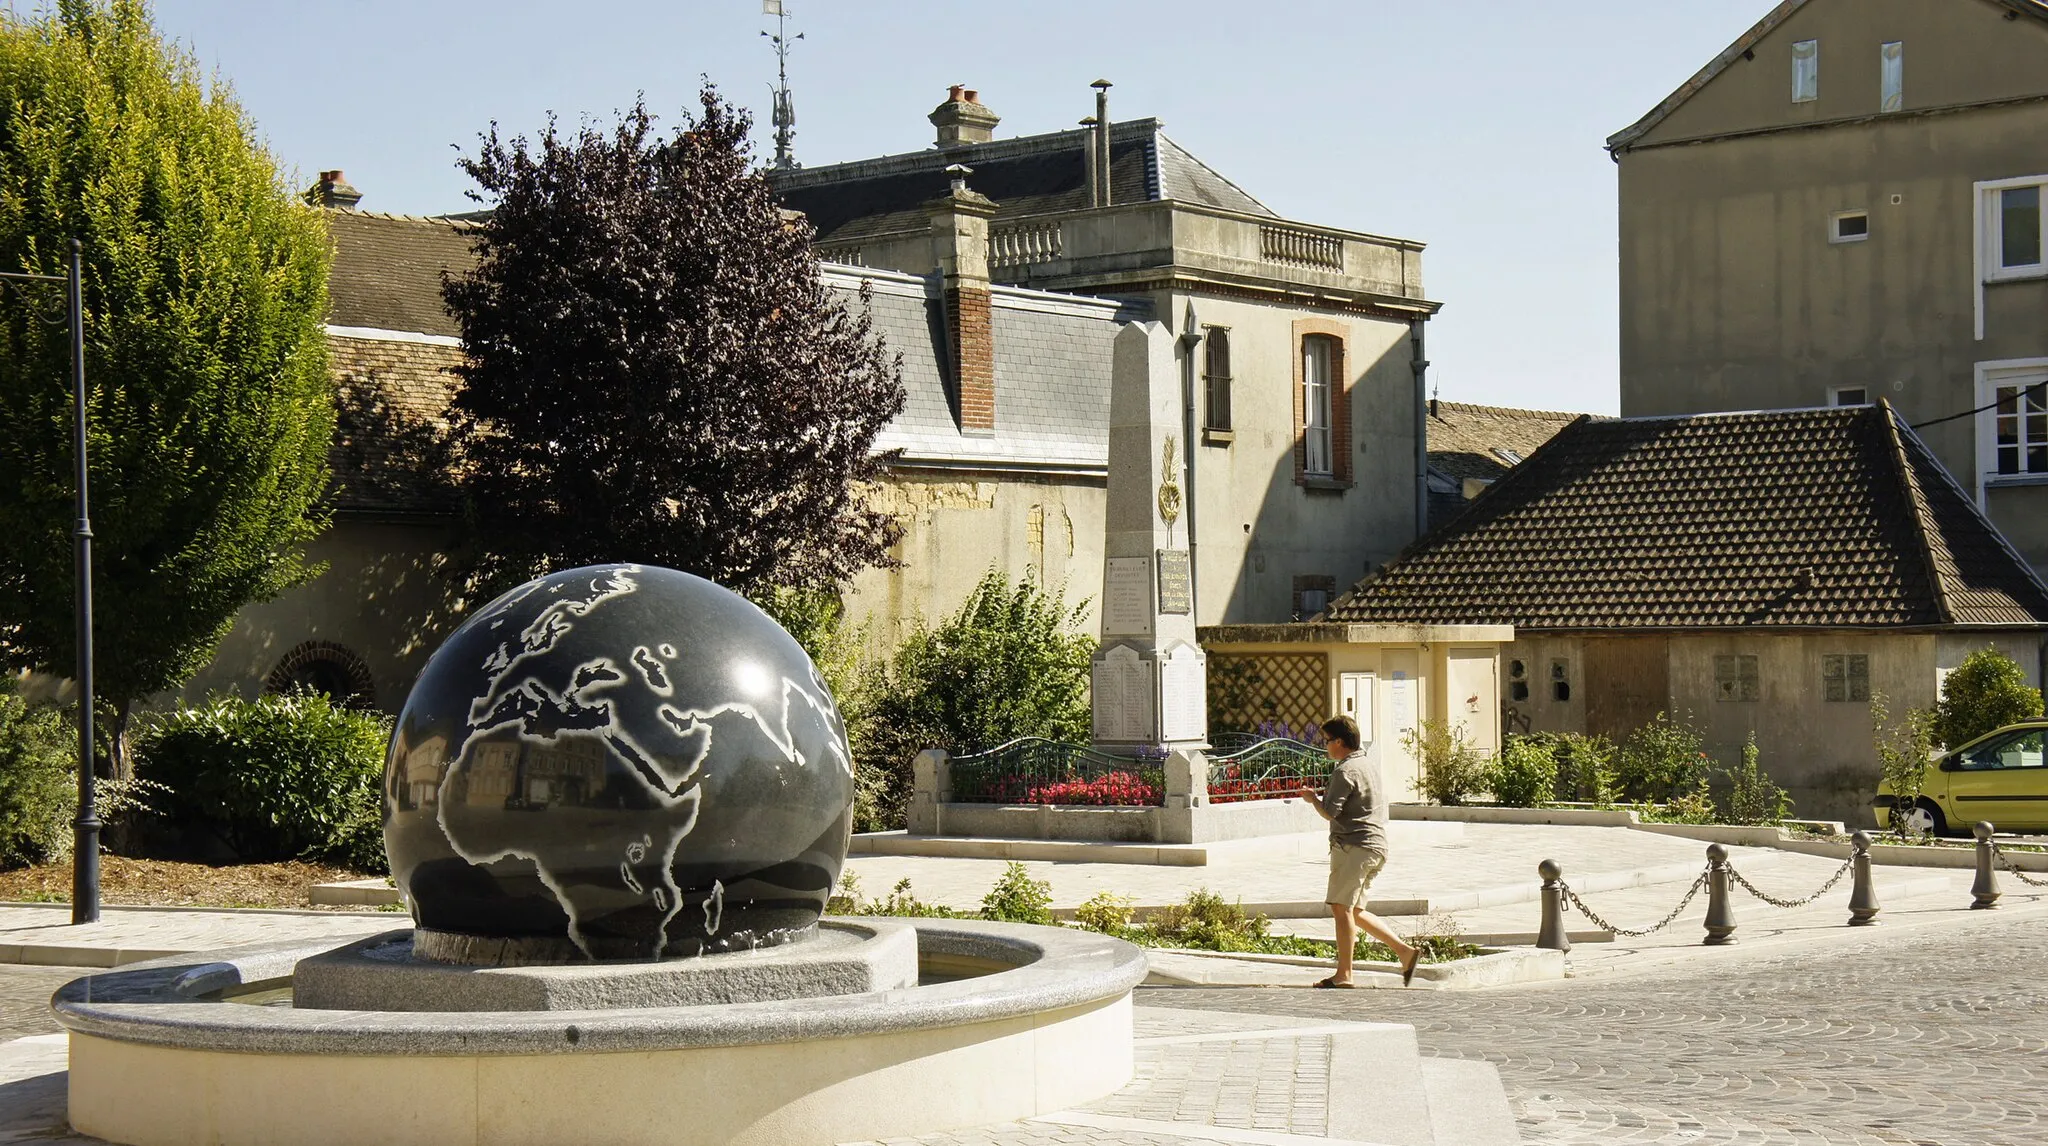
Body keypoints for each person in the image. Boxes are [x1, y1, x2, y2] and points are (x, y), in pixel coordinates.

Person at [1298, 715, 1419, 988]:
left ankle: (1344, 974)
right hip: (1375, 846)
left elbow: (1330, 812)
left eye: (1327, 741)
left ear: (1339, 741)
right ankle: (1405, 953)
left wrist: (1312, 799)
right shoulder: (1367, 764)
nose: (1325, 746)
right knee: (1354, 912)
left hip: (1355, 846)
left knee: (1341, 909)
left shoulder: (1344, 771)